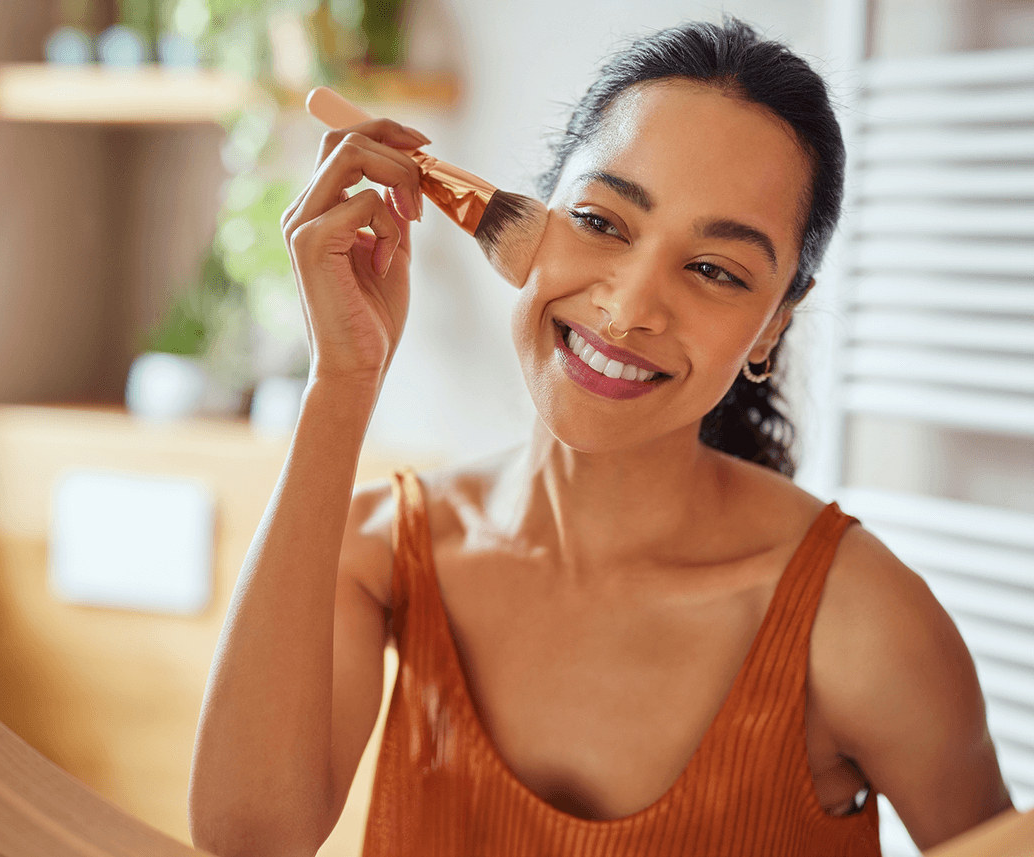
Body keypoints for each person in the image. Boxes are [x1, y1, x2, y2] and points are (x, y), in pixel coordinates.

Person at [188, 19, 1013, 856]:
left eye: (715, 270)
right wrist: (343, 381)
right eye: (601, 221)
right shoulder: (381, 552)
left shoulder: (865, 624)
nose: (627, 308)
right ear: (533, 224)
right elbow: (248, 839)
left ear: (771, 330)